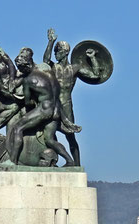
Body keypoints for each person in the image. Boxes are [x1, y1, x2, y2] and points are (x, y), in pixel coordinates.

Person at [43, 28, 104, 166]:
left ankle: (76, 164)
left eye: (57, 52)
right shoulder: (53, 67)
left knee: (70, 136)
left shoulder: (74, 68)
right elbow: (46, 60)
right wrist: (51, 42)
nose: (55, 54)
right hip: (53, 104)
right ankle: (54, 162)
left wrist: (92, 57)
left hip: (66, 105)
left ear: (64, 52)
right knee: (50, 134)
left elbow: (95, 75)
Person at [8, 47, 77, 166]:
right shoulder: (48, 72)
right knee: (49, 139)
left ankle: (12, 161)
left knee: (17, 128)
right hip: (56, 110)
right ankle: (70, 161)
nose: (20, 70)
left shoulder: (28, 80)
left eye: (20, 68)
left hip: (44, 109)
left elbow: (28, 102)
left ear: (25, 66)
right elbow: (56, 91)